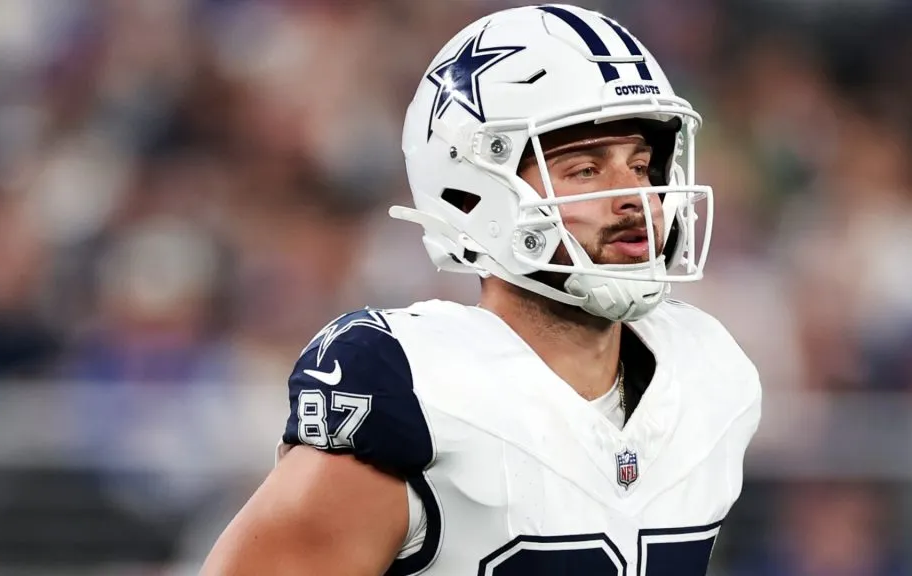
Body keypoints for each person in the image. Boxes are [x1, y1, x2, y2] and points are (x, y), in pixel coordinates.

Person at [201, 4, 761, 575]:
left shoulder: (706, 373)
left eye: (641, 165)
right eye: (585, 170)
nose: (635, 197)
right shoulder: (417, 390)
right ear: (473, 193)